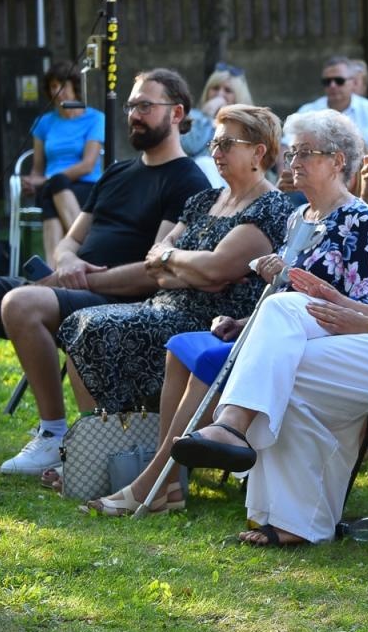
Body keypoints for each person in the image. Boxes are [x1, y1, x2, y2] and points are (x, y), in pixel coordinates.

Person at [169, 107, 368, 547]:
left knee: (287, 350)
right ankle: (294, 516)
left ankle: (234, 426)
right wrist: (335, 301)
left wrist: (367, 322)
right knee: (287, 342)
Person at [85, 110, 368, 515]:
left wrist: (298, 282)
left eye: (306, 153)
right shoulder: (298, 216)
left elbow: (363, 302)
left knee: (208, 359)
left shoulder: (358, 218)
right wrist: (243, 321)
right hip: (275, 326)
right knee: (182, 348)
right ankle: (170, 482)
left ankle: (152, 483)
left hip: (322, 337)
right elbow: (279, 293)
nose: (293, 163)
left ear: (338, 161)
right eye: (292, 153)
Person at [0, 69, 211, 476]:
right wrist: (67, 262)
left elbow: (155, 269)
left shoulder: (187, 180)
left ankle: (53, 434)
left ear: (177, 113)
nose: (134, 115)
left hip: (120, 298)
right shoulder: (116, 172)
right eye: (131, 105)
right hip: (71, 285)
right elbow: (71, 240)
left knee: (20, 303)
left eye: (146, 106)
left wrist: (82, 278)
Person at [56, 105, 292, 417]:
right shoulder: (205, 199)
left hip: (214, 321)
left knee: (97, 327)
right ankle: (103, 433)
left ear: (258, 152)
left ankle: (118, 432)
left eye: (226, 144)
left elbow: (215, 267)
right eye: (214, 143)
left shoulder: (270, 207)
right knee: (80, 321)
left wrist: (174, 259)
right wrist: (195, 272)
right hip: (161, 305)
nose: (216, 153)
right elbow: (155, 265)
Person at [23, 61, 105, 263]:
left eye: (63, 85)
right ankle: (89, 255)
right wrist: (31, 182)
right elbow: (37, 169)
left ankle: (52, 269)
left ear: (74, 87)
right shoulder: (43, 122)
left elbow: (87, 165)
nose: (57, 91)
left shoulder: (95, 118)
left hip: (86, 186)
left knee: (53, 188)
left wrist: (47, 180)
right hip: (51, 187)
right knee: (52, 188)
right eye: (53, 86)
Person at [296, 55, 368, 159]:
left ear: (354, 83)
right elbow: (287, 146)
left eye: (339, 81)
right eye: (327, 82)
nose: (332, 85)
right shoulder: (307, 112)